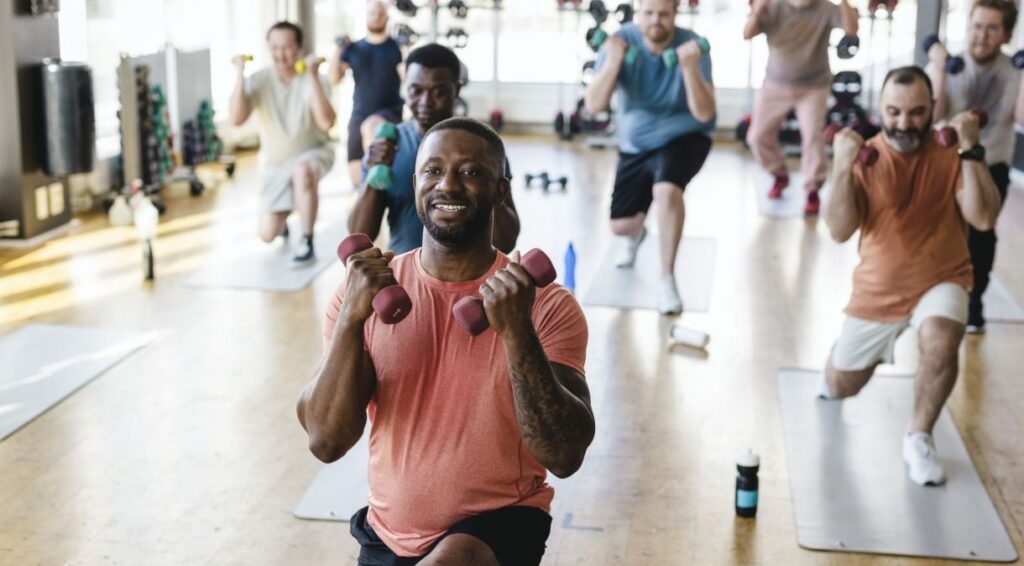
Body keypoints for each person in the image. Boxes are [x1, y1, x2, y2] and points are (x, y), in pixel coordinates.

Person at [298, 117, 594, 565]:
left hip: (500, 525)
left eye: (470, 172)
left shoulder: (545, 305)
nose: (448, 185)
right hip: (389, 532)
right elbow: (326, 441)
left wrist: (517, 332)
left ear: (500, 190)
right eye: (433, 171)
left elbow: (565, 453)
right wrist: (350, 321)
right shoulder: (367, 293)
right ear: (415, 182)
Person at [822, 67, 1001, 486]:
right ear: (880, 109)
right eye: (895, 112)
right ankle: (834, 365)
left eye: (917, 112)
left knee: (942, 338)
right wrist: (841, 167)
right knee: (842, 384)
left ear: (933, 109)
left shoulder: (950, 154)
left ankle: (918, 435)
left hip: (943, 276)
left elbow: (983, 217)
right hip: (878, 291)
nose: (905, 123)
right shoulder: (868, 157)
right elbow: (838, 230)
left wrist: (972, 148)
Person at [583, 0, 716, 315]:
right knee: (621, 226)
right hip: (636, 142)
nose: (656, 21)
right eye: (649, 13)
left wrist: (688, 68)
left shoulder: (693, 46)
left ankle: (666, 278)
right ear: (638, 13)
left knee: (667, 190)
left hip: (686, 134)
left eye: (664, 14)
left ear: (675, 15)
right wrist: (614, 61)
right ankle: (636, 234)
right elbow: (594, 106)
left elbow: (705, 112)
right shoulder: (619, 42)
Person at [349, 43, 520, 255]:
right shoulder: (387, 148)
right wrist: (373, 177)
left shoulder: (482, 146)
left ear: (456, 90)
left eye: (438, 92)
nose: (425, 102)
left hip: (472, 278)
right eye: (416, 91)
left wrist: (487, 179)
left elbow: (506, 242)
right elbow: (360, 237)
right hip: (406, 278)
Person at [927, 0, 1023, 333]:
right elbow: (934, 114)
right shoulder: (951, 64)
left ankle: (974, 301)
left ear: (1006, 34)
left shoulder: (1013, 71)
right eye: (976, 26)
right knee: (937, 229)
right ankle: (932, 294)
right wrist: (938, 67)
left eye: (991, 29)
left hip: (990, 164)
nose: (981, 36)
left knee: (982, 234)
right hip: (944, 163)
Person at [230, 21, 337, 263]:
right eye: (275, 48)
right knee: (267, 234)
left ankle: (307, 239)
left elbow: (327, 122)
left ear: (300, 47)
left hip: (315, 152)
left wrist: (311, 76)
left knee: (302, 171)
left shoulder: (314, 79)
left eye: (287, 47)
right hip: (275, 165)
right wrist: (239, 73)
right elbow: (237, 119)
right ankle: (288, 212)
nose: (281, 54)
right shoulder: (259, 80)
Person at [743, 0, 858, 215]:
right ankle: (779, 174)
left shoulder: (825, 8)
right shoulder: (774, 6)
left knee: (813, 138)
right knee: (757, 136)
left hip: (814, 87)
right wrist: (757, 12)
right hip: (775, 84)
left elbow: (851, 30)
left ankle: (812, 190)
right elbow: (747, 34)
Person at [328, 0, 405, 188]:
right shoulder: (354, 48)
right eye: (372, 14)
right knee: (357, 180)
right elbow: (333, 79)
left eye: (380, 14)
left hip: (389, 113)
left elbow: (409, 80)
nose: (376, 18)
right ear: (366, 17)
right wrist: (339, 49)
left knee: (371, 128)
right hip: (359, 114)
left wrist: (406, 47)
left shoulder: (396, 47)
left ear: (387, 17)